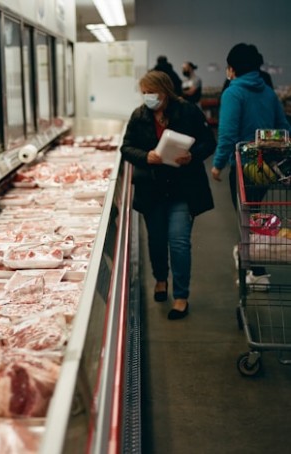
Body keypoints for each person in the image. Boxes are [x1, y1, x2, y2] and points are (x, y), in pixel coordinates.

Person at [121, 70, 216, 320]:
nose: (147, 97)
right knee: (156, 239)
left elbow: (208, 141)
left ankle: (181, 296)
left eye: (151, 93)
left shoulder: (188, 111)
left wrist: (192, 156)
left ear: (164, 92)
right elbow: (126, 148)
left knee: (179, 242)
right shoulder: (139, 116)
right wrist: (146, 156)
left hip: (182, 189)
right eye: (143, 93)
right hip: (152, 190)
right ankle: (160, 279)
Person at [211, 43, 290, 289]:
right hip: (268, 167)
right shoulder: (267, 92)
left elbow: (227, 133)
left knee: (248, 217)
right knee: (255, 213)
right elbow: (284, 128)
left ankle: (257, 271)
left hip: (244, 165)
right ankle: (253, 259)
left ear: (232, 68)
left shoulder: (233, 93)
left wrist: (218, 164)